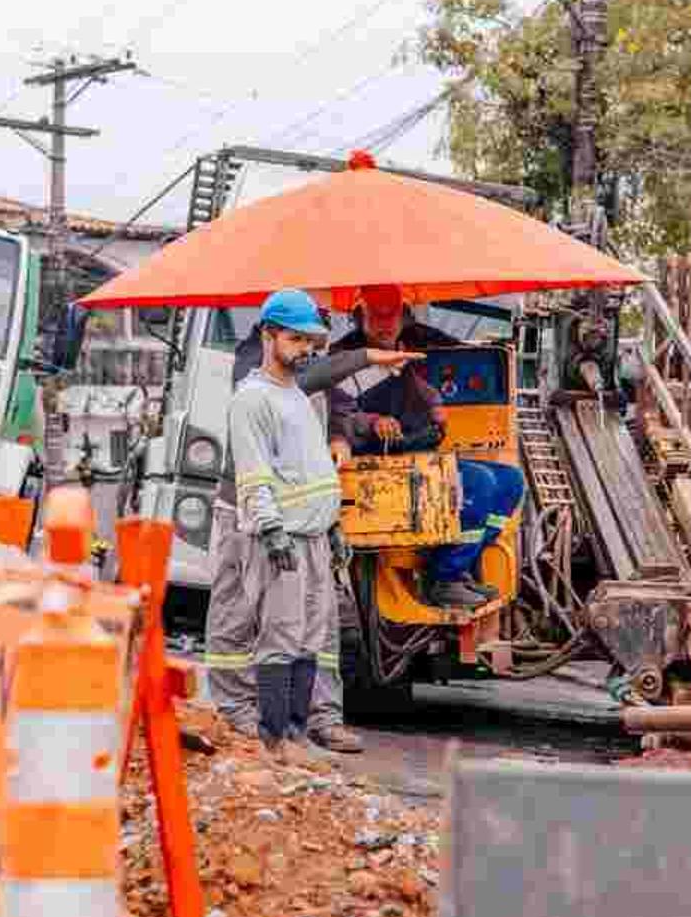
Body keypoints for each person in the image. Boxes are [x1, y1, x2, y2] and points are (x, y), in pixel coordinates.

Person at [205, 305, 422, 754]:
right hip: (257, 517)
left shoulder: (304, 374)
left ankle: (311, 722)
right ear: (271, 333)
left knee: (314, 629)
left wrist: (342, 435)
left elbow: (334, 404)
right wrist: (366, 356)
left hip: (310, 523)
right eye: (299, 338)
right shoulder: (258, 371)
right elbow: (308, 385)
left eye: (313, 338)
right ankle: (244, 714)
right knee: (246, 618)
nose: (307, 347)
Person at [329, 284, 526, 610]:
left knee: (509, 481)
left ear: (402, 317)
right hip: (370, 464)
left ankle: (459, 564)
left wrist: (434, 403)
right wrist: (373, 420)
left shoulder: (405, 348)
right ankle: (443, 578)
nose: (384, 325)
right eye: (376, 317)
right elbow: (336, 413)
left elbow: (416, 385)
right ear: (360, 316)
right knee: (477, 483)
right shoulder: (343, 358)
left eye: (391, 317)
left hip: (407, 454)